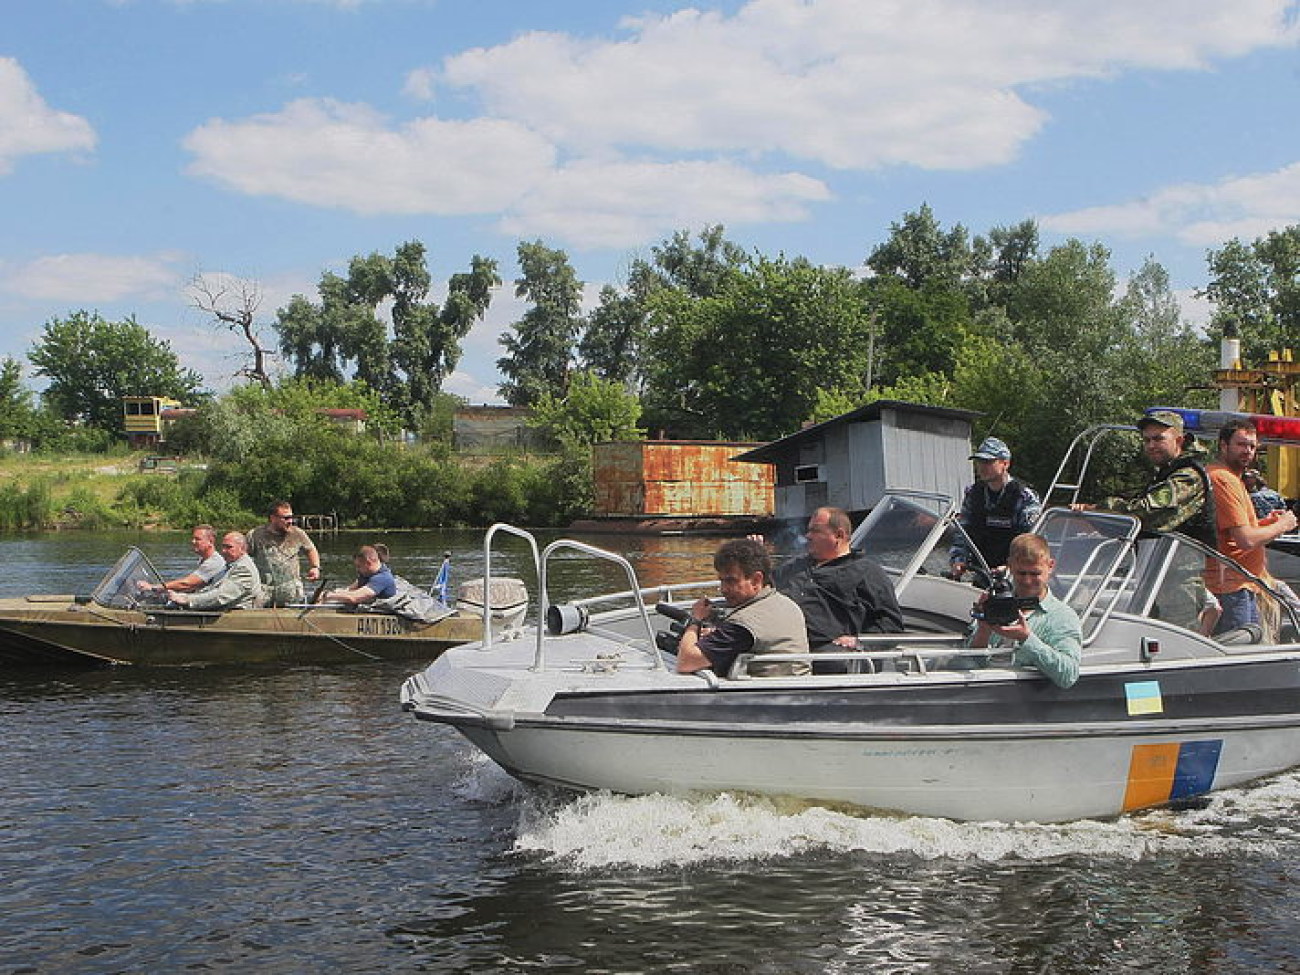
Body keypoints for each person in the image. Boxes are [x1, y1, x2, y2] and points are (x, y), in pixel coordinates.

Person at [770, 507, 903, 672]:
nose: (808, 536)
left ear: (838, 535)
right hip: (783, 642)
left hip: (826, 651)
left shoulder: (867, 573)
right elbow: (763, 589)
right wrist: (757, 561)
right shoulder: (795, 566)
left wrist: (859, 640)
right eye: (808, 530)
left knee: (832, 661)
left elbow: (891, 624)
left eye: (815, 531)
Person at [1204, 418, 1297, 634]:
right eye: (1241, 444)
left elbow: (1231, 531)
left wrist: (1267, 523)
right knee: (1239, 656)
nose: (1247, 451)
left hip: (1240, 585)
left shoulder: (1230, 478)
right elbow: (1246, 540)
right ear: (1223, 445)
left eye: (1252, 446)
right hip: (1232, 588)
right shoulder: (1224, 480)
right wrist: (1282, 525)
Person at [1073, 410, 1217, 545]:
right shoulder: (1164, 472)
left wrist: (1096, 509)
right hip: (1157, 561)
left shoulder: (1188, 476)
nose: (1151, 445)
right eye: (1146, 440)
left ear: (1178, 441)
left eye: (1158, 439)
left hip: (1189, 567)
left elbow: (1145, 512)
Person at [676, 538, 810, 678]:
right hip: (797, 689)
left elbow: (685, 661)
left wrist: (695, 620)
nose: (723, 589)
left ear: (756, 580)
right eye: (721, 581)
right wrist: (716, 635)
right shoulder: (788, 604)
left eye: (731, 581)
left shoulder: (744, 623)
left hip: (760, 695)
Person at [966, 532, 1082, 688]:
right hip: (983, 695)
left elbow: (1068, 675)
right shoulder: (993, 603)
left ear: (1050, 566)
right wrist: (983, 631)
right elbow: (968, 663)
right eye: (1021, 573)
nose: (1027, 581)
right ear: (1010, 566)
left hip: (1027, 701)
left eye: (1035, 573)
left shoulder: (1063, 617)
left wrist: (1027, 639)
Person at [949, 437, 1042, 582]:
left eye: (988, 462)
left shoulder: (1024, 497)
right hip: (982, 571)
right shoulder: (973, 494)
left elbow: (1032, 541)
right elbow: (963, 532)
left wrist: (1010, 567)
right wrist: (958, 560)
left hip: (1016, 576)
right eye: (979, 462)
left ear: (1005, 463)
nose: (982, 467)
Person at [247, 500, 321, 606]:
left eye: (291, 517)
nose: (290, 521)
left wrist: (315, 567)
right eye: (286, 518)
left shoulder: (297, 533)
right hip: (264, 589)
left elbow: (311, 549)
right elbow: (244, 557)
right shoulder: (255, 534)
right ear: (273, 518)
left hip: (291, 588)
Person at [168, 532, 262, 610]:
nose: (223, 551)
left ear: (243, 549)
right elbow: (212, 588)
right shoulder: (231, 564)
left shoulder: (244, 569)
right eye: (223, 547)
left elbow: (221, 596)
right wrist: (181, 595)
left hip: (237, 616)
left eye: (229, 547)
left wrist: (187, 599)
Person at [139, 525, 225, 596]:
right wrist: (166, 591)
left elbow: (187, 583)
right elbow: (194, 585)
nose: (193, 541)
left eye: (197, 539)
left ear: (211, 541)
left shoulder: (213, 562)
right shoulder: (204, 559)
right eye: (193, 538)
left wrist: (154, 587)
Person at [321, 545, 398, 606]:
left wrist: (327, 595)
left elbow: (354, 598)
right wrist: (335, 592)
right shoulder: (366, 574)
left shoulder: (382, 578)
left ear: (368, 563)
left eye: (359, 566)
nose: (357, 569)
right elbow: (349, 590)